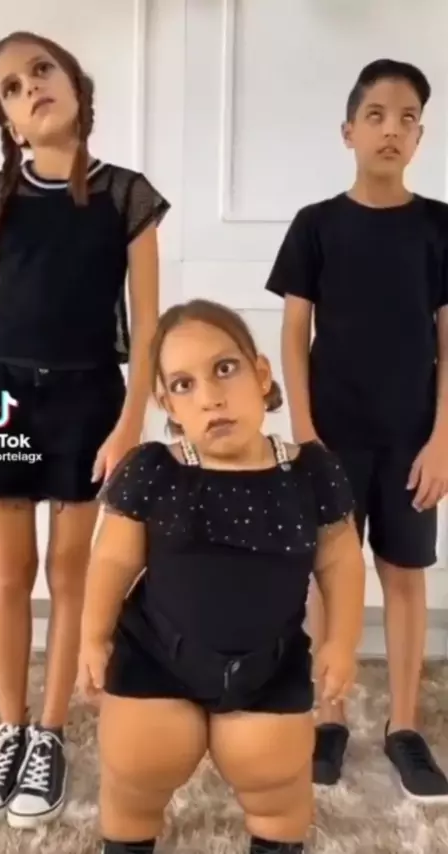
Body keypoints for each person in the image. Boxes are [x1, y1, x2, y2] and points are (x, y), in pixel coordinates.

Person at [77, 298, 365, 854]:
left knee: (278, 786)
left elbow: (341, 561)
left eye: (225, 369)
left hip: (268, 665)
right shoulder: (154, 469)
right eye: (184, 385)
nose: (210, 396)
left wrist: (341, 642)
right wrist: (93, 635)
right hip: (155, 659)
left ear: (261, 374)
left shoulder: (312, 471)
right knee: (135, 774)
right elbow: (112, 560)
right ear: (166, 403)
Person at [0, 31, 169, 829]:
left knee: (69, 571)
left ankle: (49, 734)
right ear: (9, 122)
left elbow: (147, 329)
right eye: (12, 89)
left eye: (41, 71)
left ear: (77, 85)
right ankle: (9, 729)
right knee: (11, 571)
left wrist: (129, 422)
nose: (31, 89)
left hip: (89, 400)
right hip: (2, 399)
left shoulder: (127, 196)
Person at [265, 58, 448, 801]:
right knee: (329, 573)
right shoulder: (316, 225)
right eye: (376, 115)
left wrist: (443, 440)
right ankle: (328, 715)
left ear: (420, 137)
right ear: (348, 131)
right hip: (333, 435)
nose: (391, 130)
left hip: (412, 440)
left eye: (407, 119)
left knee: (404, 574)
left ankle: (404, 726)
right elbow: (294, 335)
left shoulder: (439, 226)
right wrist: (306, 434)